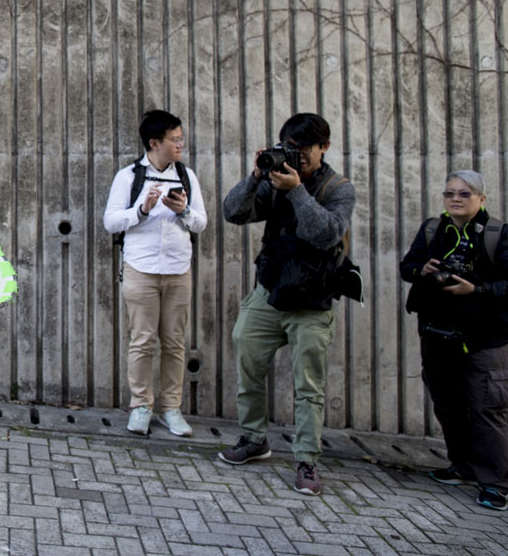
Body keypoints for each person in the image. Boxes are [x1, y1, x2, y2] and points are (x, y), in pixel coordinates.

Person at [218, 113, 355, 496]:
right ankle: (254, 439)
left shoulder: (338, 188)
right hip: (270, 291)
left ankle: (307, 459)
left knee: (307, 383)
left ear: (323, 147)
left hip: (312, 300)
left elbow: (325, 234)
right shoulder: (275, 180)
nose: (296, 156)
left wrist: (296, 191)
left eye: (304, 149)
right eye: (288, 148)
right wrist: (256, 177)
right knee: (247, 356)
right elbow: (233, 213)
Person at [400, 170, 508, 511]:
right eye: (450, 194)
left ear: (481, 199)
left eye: (464, 194)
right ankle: (462, 466)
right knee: (448, 404)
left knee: (487, 409)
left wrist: (474, 289)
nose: (456, 199)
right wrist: (425, 270)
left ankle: (495, 483)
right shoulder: (433, 229)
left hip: (484, 338)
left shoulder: (497, 234)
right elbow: (408, 267)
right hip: (437, 333)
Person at [104, 109, 207, 437]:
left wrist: (185, 210)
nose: (180, 145)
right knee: (142, 341)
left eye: (180, 139)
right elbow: (110, 221)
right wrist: (142, 209)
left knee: (175, 342)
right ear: (154, 143)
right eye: (174, 140)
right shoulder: (129, 177)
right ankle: (140, 407)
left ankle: (172, 409)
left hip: (179, 269)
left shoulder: (186, 176)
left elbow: (201, 223)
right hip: (141, 268)